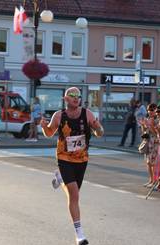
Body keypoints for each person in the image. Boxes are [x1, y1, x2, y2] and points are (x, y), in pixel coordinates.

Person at [40, 87, 104, 245]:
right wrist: (43, 126)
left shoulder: (87, 114)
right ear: (66, 99)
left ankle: (59, 178)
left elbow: (99, 131)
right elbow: (49, 133)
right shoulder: (59, 115)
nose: (76, 98)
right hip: (64, 158)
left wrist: (98, 129)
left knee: (72, 194)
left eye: (78, 96)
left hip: (82, 160)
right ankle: (79, 234)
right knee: (74, 195)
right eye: (73, 95)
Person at [139, 103, 158, 188]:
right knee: (148, 163)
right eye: (148, 110)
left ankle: (154, 181)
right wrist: (143, 125)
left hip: (154, 142)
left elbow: (157, 133)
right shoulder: (148, 118)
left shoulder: (157, 120)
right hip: (148, 141)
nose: (149, 112)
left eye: (151, 110)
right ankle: (150, 180)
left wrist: (149, 125)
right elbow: (144, 133)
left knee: (153, 163)